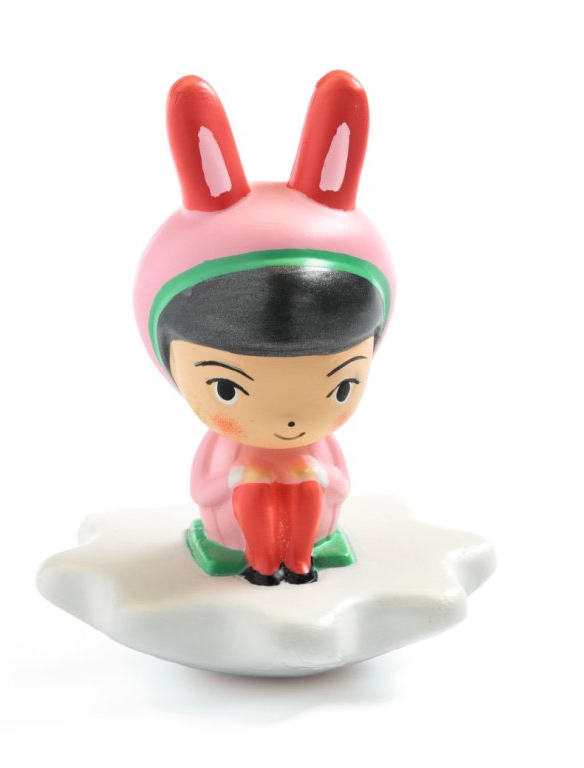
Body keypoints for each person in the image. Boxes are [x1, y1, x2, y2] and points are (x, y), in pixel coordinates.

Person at [133, 71, 395, 585]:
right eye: (227, 388)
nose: (289, 421)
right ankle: (260, 560)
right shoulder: (226, 448)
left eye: (341, 386)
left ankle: (299, 560)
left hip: (310, 519)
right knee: (256, 493)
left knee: (306, 490)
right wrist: (238, 477)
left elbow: (340, 482)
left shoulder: (317, 446)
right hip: (236, 524)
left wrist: (318, 477)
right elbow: (204, 488)